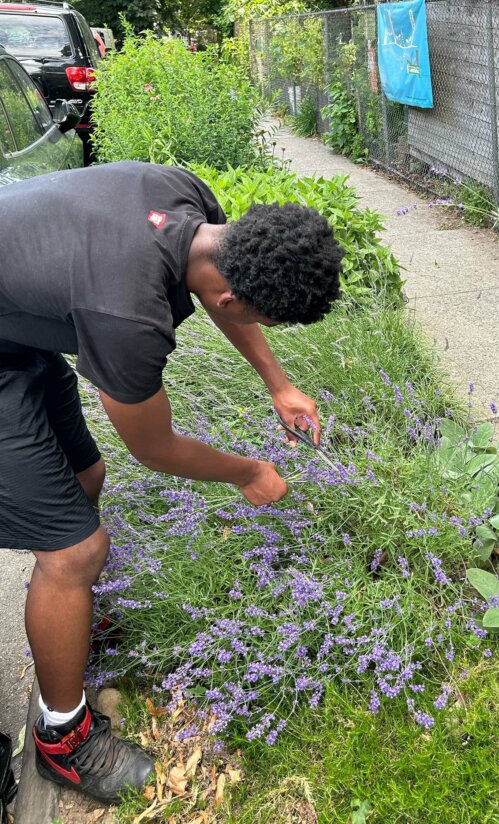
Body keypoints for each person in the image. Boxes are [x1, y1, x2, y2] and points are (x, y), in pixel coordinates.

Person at [0, 160, 343, 803]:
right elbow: (154, 449)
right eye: (260, 319)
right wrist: (249, 472)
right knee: (75, 551)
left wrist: (278, 382)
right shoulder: (128, 316)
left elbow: (223, 289)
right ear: (235, 299)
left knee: (87, 475)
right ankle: (61, 739)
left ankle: (67, 618)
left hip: (17, 328)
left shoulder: (178, 192)